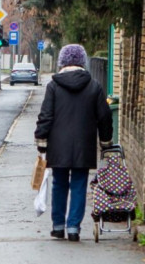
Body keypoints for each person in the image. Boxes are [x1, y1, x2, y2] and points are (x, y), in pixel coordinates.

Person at [34, 44, 113, 241]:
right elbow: (104, 116)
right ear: (82, 62)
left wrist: (41, 140)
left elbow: (46, 116)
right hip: (83, 145)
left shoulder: (53, 86)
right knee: (79, 184)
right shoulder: (94, 86)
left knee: (59, 183)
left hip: (58, 145)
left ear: (62, 62)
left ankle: (58, 226)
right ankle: (73, 228)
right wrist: (105, 141)